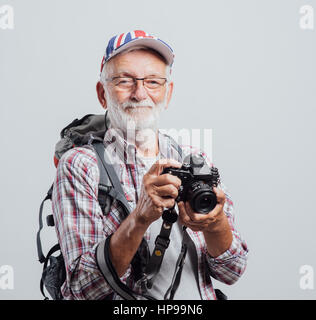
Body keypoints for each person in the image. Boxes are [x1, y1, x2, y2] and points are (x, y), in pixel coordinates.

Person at [52, 30, 248, 300]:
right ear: (102, 94)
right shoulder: (81, 166)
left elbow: (232, 271)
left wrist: (216, 225)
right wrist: (140, 218)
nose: (139, 93)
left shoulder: (192, 160)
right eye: (124, 81)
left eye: (153, 82)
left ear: (167, 94)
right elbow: (81, 290)